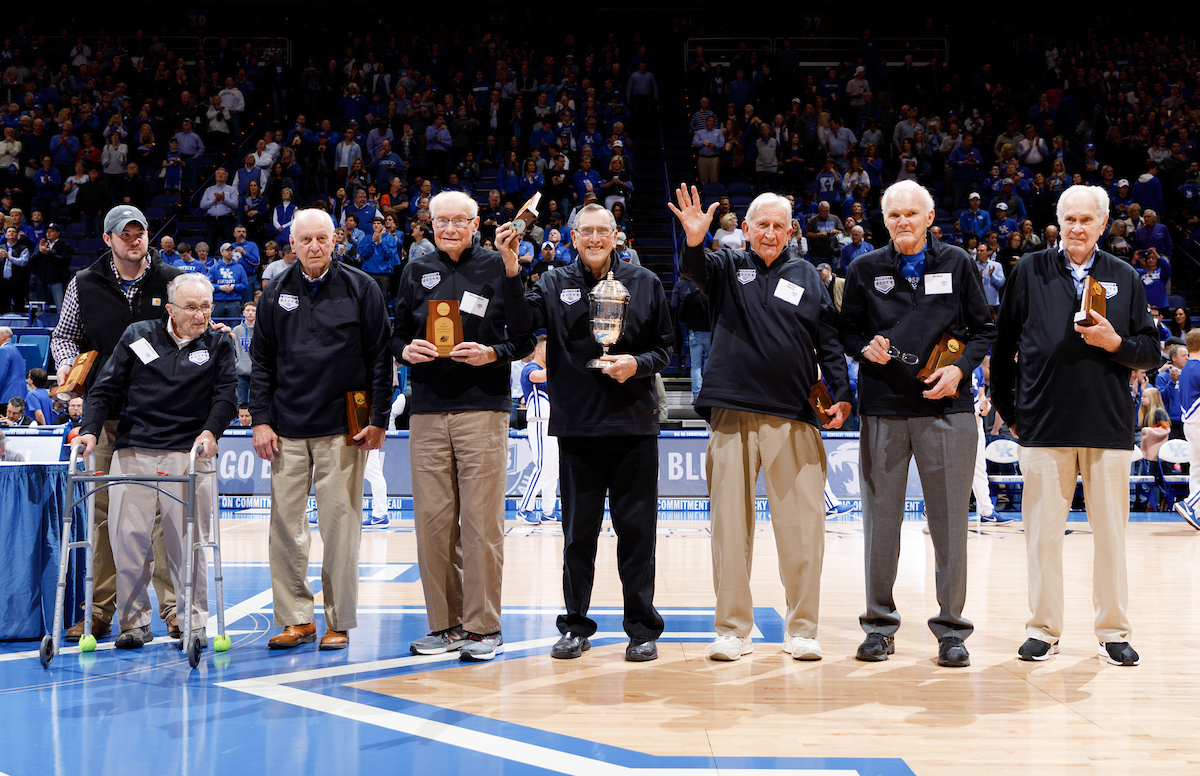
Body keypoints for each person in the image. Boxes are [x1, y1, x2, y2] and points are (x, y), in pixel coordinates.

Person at [671, 185, 851, 662]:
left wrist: (843, 394)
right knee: (729, 528)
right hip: (731, 413)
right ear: (745, 230)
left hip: (793, 415)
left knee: (803, 528)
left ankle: (803, 629)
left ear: (791, 232)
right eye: (761, 225)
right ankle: (732, 630)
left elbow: (829, 342)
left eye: (779, 225)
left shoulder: (810, 276)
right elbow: (693, 272)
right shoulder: (728, 267)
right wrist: (693, 240)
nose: (770, 233)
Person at [992, 184, 1160, 667]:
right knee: (1042, 536)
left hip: (1106, 428)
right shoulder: (1028, 271)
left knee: (1110, 537)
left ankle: (1113, 631)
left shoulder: (1124, 277)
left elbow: (1149, 349)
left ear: (1104, 225)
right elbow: (1003, 350)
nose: (1077, 228)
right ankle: (1043, 629)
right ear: (1058, 223)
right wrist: (1014, 413)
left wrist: (1115, 344)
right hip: (1043, 428)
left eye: (1087, 220)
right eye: (1070, 220)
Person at [500, 201, 672, 662]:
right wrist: (513, 268)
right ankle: (575, 625)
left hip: (634, 426)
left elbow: (666, 349)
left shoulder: (646, 283)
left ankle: (641, 628)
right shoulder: (554, 282)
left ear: (617, 236)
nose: (595, 239)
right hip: (577, 427)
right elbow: (520, 325)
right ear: (573, 237)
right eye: (586, 232)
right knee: (578, 535)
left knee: (638, 534)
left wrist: (637, 364)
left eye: (603, 231)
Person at [839, 179, 995, 668]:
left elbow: (985, 329)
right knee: (880, 523)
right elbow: (845, 329)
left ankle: (952, 630)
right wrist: (863, 346)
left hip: (946, 410)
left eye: (911, 213)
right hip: (884, 408)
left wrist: (960, 368)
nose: (902, 221)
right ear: (884, 221)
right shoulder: (864, 267)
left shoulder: (959, 263)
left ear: (930, 218)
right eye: (893, 215)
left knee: (949, 523)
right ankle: (879, 626)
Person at [392, 191, 535, 662]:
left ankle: (483, 627)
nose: (449, 227)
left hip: (482, 407)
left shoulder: (499, 265)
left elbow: (524, 337)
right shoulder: (417, 269)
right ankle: (446, 625)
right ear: (429, 225)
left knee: (480, 523)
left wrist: (492, 353)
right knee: (433, 525)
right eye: (441, 220)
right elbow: (396, 333)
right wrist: (405, 351)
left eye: (459, 220)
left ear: (476, 225)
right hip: (428, 408)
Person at [250, 208, 392, 652]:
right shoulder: (275, 291)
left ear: (336, 242)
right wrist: (260, 419)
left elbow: (380, 360)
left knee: (340, 527)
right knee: (285, 528)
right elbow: (262, 362)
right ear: (291, 245)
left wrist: (379, 420)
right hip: (286, 428)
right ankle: (296, 619)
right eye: (304, 239)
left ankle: (338, 621)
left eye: (321, 239)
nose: (313, 246)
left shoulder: (361, 287)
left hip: (342, 428)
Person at [76, 273, 236, 649]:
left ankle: (192, 621)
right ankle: (134, 622)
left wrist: (211, 432)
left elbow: (226, 395)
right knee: (127, 539)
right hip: (135, 449)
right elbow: (106, 387)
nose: (201, 316)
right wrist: (90, 430)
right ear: (170, 309)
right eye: (192, 307)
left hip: (189, 453)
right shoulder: (138, 335)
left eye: (206, 307)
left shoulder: (219, 344)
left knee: (188, 544)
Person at [49, 204, 183, 643]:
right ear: (108, 239)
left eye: (139, 232)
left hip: (163, 416)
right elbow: (64, 336)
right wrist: (75, 378)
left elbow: (192, 331)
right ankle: (101, 610)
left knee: (166, 515)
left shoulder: (171, 281)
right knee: (104, 517)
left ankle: (175, 611)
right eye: (124, 234)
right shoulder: (84, 283)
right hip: (105, 417)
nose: (134, 239)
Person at [512, 335, 559, 524]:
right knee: (541, 467)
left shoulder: (550, 371)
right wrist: (563, 363)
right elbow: (539, 377)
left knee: (553, 469)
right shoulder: (530, 368)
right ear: (538, 350)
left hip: (553, 423)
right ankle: (524, 509)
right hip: (539, 422)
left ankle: (548, 511)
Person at [1173, 328, 1200, 530]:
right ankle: (1191, 504)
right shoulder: (1198, 368)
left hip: (1189, 424)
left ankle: (1197, 513)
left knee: (1197, 470)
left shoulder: (1187, 369)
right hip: (1198, 421)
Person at [231, 302, 255, 404]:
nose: (250, 313)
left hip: (256, 371)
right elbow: (231, 350)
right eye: (248, 310)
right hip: (240, 371)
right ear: (243, 313)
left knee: (256, 401)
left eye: (253, 311)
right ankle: (239, 420)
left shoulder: (261, 330)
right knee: (240, 401)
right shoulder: (236, 330)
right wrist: (236, 363)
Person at [0, 327, 24, 407]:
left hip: (7, 396)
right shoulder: (15, 349)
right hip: (19, 394)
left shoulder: (4, 350)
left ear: (3, 336)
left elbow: (1, 375)